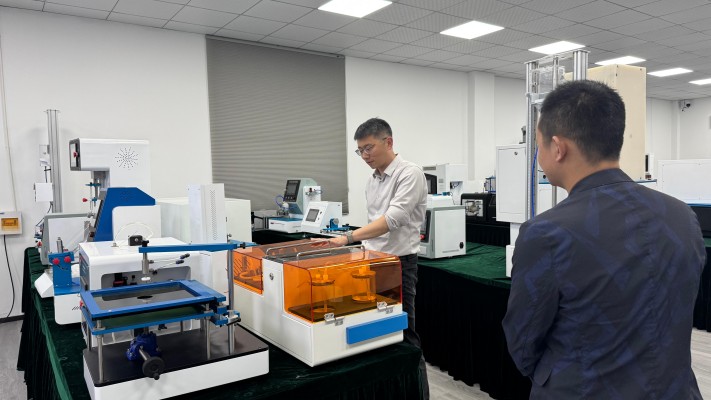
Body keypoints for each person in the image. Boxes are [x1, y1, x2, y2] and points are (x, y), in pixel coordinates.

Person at [502, 80, 706, 399]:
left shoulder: (546, 233)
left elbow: (523, 343)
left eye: (538, 146)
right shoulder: (682, 216)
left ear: (558, 147)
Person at [329, 117, 429, 399]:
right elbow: (374, 224)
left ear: (389, 142)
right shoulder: (372, 181)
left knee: (405, 335)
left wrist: (348, 237)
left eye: (368, 148)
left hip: (399, 265)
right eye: (360, 150)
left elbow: (393, 220)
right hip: (372, 262)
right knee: (377, 336)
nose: (364, 156)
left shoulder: (410, 174)